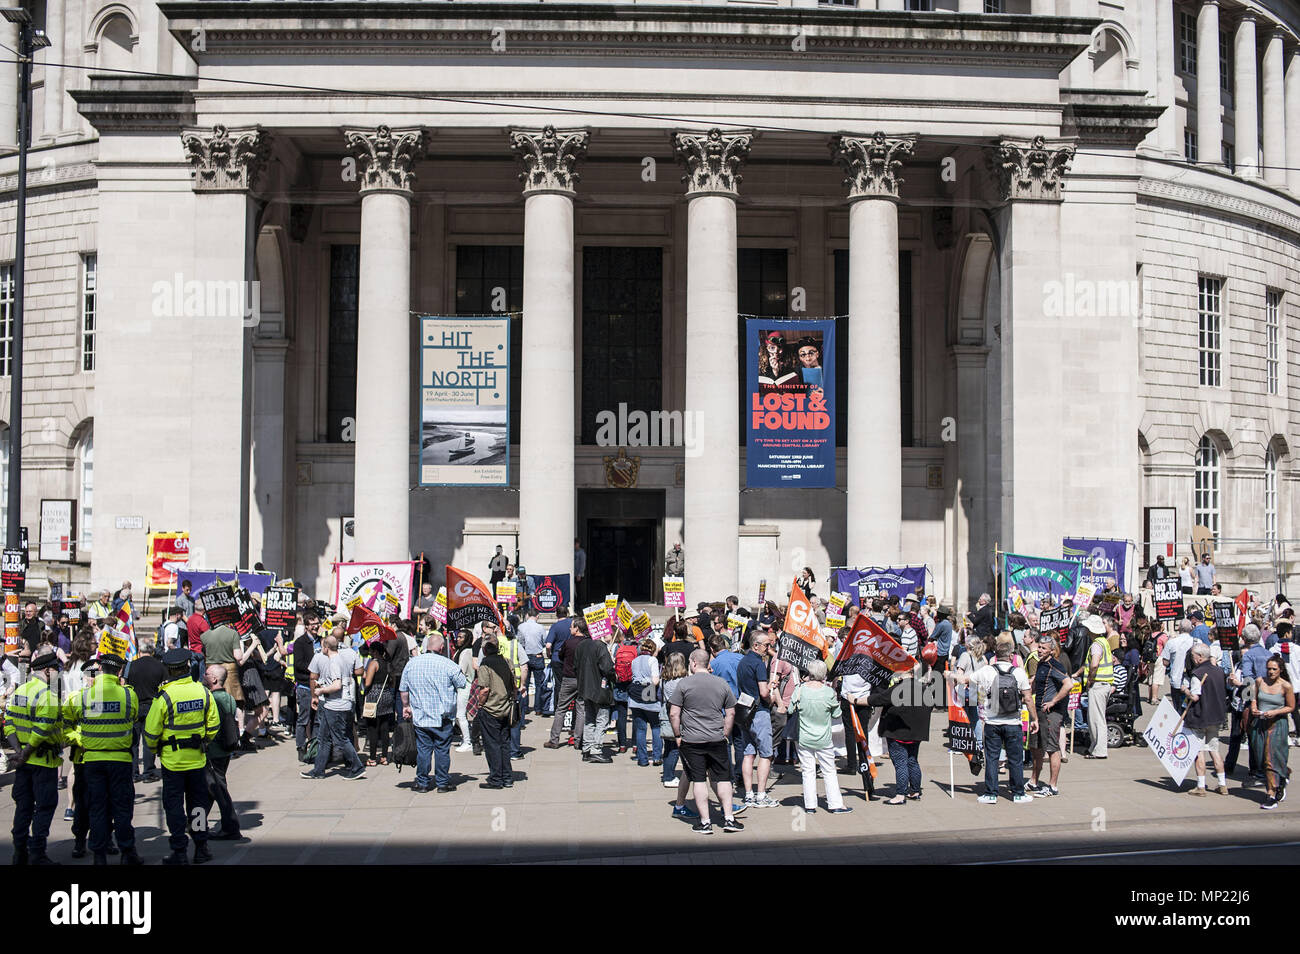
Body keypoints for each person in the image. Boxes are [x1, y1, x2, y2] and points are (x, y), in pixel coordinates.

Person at [63, 652, 141, 865]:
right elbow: (133, 717)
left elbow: (65, 722)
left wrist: (81, 739)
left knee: (96, 808)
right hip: (120, 761)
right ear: (119, 671)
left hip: (93, 761)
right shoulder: (128, 695)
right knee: (122, 808)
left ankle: (99, 856)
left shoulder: (84, 696)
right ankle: (127, 853)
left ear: (100, 670)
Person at [145, 648, 220, 865]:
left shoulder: (164, 696)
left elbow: (150, 733)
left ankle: (179, 850)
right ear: (188, 667)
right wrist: (204, 741)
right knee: (197, 805)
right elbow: (213, 725)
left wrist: (154, 750)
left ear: (168, 670)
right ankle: (201, 847)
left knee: (174, 806)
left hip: (172, 761)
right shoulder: (202, 691)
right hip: (197, 759)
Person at [953, 633, 1035, 804]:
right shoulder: (1018, 673)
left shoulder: (986, 671)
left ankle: (991, 793)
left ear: (995, 655)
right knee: (1015, 759)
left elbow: (964, 680)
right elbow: (1027, 697)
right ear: (1011, 656)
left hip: (992, 722)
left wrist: (950, 675)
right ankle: (1018, 793)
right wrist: (1034, 719)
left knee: (991, 757)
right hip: (1013, 722)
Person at [668, 649, 744, 834]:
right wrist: (725, 733)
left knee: (699, 780)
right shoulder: (721, 683)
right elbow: (731, 712)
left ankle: (705, 822)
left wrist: (678, 735)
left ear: (693, 663)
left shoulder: (684, 684)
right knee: (723, 778)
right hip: (716, 738)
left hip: (692, 740)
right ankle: (728, 818)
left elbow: (674, 713)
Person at [6, 648, 65, 865]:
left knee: (23, 807)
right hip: (42, 762)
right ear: (47, 671)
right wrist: (26, 753)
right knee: (44, 806)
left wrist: (19, 753)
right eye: (56, 670)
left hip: (23, 762)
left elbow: (9, 723)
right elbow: (41, 730)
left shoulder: (20, 692)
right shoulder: (47, 695)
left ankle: (19, 852)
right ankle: (38, 854)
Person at [400, 632, 467, 794]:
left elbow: (403, 689)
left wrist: (406, 706)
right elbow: (462, 683)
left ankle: (423, 782)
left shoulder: (412, 664)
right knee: (442, 749)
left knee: (424, 749)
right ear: (442, 647)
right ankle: (442, 783)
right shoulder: (448, 664)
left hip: (421, 715)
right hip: (442, 716)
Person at [301, 634, 366, 781]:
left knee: (340, 739)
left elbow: (337, 685)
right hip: (333, 704)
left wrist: (320, 690)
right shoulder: (339, 659)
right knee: (324, 738)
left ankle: (357, 767)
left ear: (325, 647)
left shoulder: (335, 662)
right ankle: (318, 770)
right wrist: (323, 686)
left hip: (336, 706)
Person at [787, 659, 848, 813]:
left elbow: (790, 710)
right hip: (823, 738)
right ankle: (834, 804)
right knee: (829, 770)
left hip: (804, 737)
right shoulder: (828, 692)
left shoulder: (800, 689)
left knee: (807, 771)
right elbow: (836, 714)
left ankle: (810, 805)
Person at [869, 664, 931, 806]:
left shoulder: (898, 688)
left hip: (898, 731)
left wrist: (856, 700)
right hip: (916, 732)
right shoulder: (923, 688)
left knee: (900, 762)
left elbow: (879, 699)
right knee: (912, 760)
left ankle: (900, 794)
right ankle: (915, 790)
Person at [1027, 634, 1072, 798]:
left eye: (1043, 648)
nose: (1039, 650)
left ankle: (1053, 786)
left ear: (1052, 651)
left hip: (1051, 713)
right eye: (1039, 647)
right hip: (1038, 711)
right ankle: (1034, 781)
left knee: (1053, 748)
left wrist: (1053, 701)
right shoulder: (1040, 664)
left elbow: (1069, 684)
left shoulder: (1055, 665)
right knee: (1036, 746)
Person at [202, 664, 243, 842]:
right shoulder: (229, 698)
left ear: (214, 679)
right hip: (224, 751)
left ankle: (230, 827)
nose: (204, 675)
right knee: (209, 790)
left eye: (207, 673)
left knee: (217, 790)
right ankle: (197, 824)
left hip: (213, 751)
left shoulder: (211, 699)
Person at [1183, 643, 1230, 796]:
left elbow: (1195, 696)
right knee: (1214, 750)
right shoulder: (1218, 671)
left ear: (1200, 657)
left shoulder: (1198, 673)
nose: (1193, 659)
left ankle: (1201, 786)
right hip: (1216, 717)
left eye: (1194, 656)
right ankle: (1222, 784)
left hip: (1200, 717)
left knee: (1200, 752)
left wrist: (1185, 690)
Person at [736, 631, 777, 807]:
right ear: (756, 645)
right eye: (766, 645)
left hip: (745, 711)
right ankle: (761, 795)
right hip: (759, 712)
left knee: (748, 753)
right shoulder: (758, 664)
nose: (769, 649)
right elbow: (763, 692)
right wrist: (771, 695)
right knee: (766, 754)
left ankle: (748, 794)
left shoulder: (742, 662)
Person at [1250, 656, 1294, 809]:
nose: (1271, 672)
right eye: (1269, 668)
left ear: (1280, 670)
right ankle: (1283, 774)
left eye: (1274, 669)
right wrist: (1254, 708)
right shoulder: (1259, 681)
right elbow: (1254, 698)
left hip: (1277, 725)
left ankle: (1271, 794)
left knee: (1270, 759)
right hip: (1260, 723)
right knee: (1262, 758)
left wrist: (1275, 712)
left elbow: (1291, 707)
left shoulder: (1286, 686)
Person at [474, 633, 516, 789]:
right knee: (504, 743)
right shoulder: (507, 662)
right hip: (505, 708)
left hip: (491, 709)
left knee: (492, 745)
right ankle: (507, 777)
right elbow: (514, 686)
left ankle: (496, 778)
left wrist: (480, 704)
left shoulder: (485, 665)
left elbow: (484, 689)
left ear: (485, 650)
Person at [125, 637, 165, 784]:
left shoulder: (131, 666)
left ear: (139, 650)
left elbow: (125, 683)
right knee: (149, 739)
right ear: (152, 650)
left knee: (134, 741)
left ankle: (134, 772)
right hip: (152, 706)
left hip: (134, 706)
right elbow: (164, 686)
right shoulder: (159, 666)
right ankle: (148, 771)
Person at [545, 617, 589, 749]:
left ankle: (554, 740)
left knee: (561, 709)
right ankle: (578, 740)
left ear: (577, 628)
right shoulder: (588, 643)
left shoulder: (568, 643)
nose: (570, 629)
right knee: (581, 710)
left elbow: (560, 656)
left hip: (569, 679)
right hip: (582, 679)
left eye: (571, 626)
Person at [576, 616, 615, 762]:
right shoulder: (600, 646)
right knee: (601, 720)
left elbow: (576, 667)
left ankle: (587, 748)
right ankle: (596, 749)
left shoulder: (582, 645)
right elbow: (607, 668)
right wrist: (613, 673)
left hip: (585, 688)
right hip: (599, 689)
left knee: (590, 719)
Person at [362, 638, 399, 765]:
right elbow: (393, 683)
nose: (370, 653)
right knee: (384, 727)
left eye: (371, 651)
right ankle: (384, 756)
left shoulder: (374, 663)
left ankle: (372, 758)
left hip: (374, 695)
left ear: (375, 651)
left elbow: (367, 683)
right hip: (387, 695)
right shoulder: (388, 663)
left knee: (372, 728)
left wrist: (365, 675)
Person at [1083, 614, 1115, 759]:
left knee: (1096, 719)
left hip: (1098, 684)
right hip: (1105, 683)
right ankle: (1095, 747)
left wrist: (1090, 678)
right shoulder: (1103, 642)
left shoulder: (1096, 644)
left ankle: (1099, 750)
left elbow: (1094, 664)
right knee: (1097, 718)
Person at [628, 638, 663, 767]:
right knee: (656, 726)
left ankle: (642, 759)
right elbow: (655, 681)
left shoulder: (635, 660)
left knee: (640, 729)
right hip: (649, 695)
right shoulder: (652, 660)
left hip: (635, 698)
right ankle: (657, 756)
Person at [292, 610, 320, 761]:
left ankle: (314, 746)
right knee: (304, 718)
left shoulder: (321, 641)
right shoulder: (300, 642)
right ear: (307, 626)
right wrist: (314, 667)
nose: (316, 627)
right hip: (305, 686)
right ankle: (300, 747)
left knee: (316, 719)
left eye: (317, 624)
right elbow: (299, 664)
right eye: (313, 624)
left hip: (319, 686)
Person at [516, 606, 549, 716]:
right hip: (537, 656)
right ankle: (538, 708)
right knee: (538, 684)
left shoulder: (521, 626)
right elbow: (544, 641)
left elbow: (520, 642)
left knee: (524, 682)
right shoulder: (540, 627)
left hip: (525, 656)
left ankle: (524, 708)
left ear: (527, 616)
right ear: (537, 616)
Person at [1160, 619, 1196, 711]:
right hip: (1193, 680)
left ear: (1179, 628)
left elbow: (1165, 662)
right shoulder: (1197, 642)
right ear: (1191, 629)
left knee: (1178, 709)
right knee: (1190, 708)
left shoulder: (1171, 642)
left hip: (1177, 680)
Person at [574, 538, 587, 606]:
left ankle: (580, 604)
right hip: (574, 573)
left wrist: (579, 574)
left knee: (579, 590)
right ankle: (576, 602)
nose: (574, 545)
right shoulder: (573, 552)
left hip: (578, 575)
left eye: (575, 544)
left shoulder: (581, 552)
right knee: (575, 589)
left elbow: (583, 564)